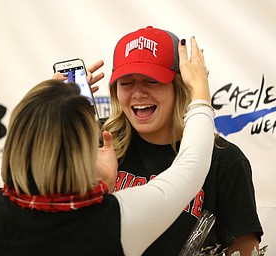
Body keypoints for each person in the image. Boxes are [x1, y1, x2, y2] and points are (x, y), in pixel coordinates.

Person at [0, 37, 215, 256]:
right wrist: (200, 92)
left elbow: (22, 151)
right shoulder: (115, 222)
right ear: (85, 155)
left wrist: (51, 100)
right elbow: (190, 167)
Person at [101, 26, 263, 255]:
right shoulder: (98, 142)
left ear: (180, 85)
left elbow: (246, 250)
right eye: (126, 82)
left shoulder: (224, 160)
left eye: (152, 80)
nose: (138, 93)